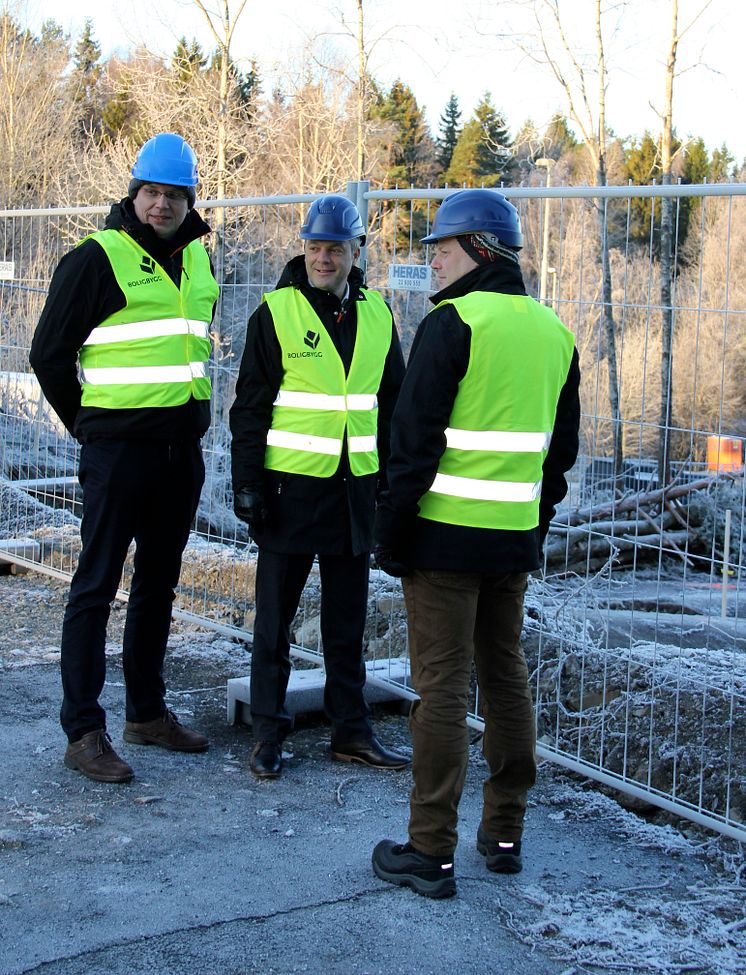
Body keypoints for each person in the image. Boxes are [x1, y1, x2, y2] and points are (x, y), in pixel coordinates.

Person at [370, 188, 581, 898]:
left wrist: (392, 534)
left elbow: (413, 442)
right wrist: (534, 521)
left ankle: (429, 850)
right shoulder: (554, 332)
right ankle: (505, 833)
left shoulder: (453, 323)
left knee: (443, 690)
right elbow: (560, 454)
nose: (431, 261)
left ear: (480, 251)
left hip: (443, 544)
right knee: (505, 678)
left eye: (443, 248)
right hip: (510, 542)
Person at [29, 133, 219, 784]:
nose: (162, 205)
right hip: (117, 452)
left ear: (190, 200)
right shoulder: (96, 259)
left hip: (179, 454)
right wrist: (87, 426)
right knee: (96, 585)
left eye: (174, 195)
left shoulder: (198, 262)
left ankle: (146, 711)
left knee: (158, 585)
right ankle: (83, 729)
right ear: (133, 194)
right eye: (152, 193)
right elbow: (49, 354)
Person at [229, 193, 410, 779]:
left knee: (346, 624)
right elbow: (250, 408)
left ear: (356, 252)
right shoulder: (276, 313)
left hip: (353, 493)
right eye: (314, 246)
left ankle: (350, 733)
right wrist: (248, 484)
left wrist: (389, 485)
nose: (323, 258)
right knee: (274, 623)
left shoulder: (380, 316)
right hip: (288, 493)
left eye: (335, 248)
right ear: (302, 247)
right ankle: (267, 734)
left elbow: (392, 408)